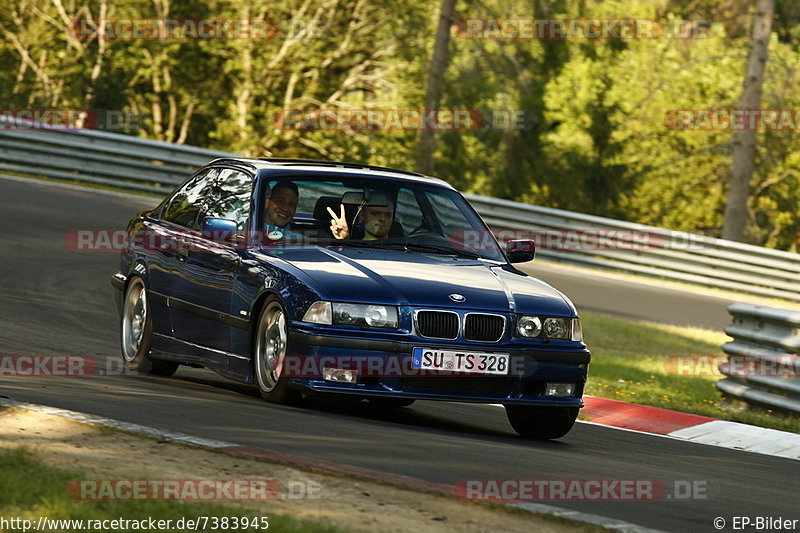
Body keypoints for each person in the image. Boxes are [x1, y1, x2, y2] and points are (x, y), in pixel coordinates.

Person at [327, 201, 395, 240]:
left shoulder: (403, 248)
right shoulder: (353, 249)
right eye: (375, 213)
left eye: (388, 215)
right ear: (362, 215)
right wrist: (344, 241)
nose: (382, 219)